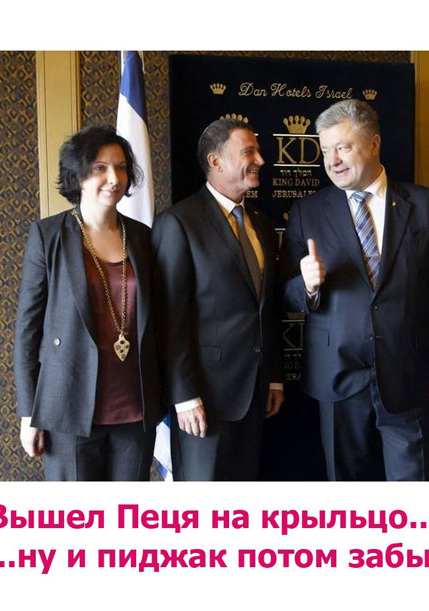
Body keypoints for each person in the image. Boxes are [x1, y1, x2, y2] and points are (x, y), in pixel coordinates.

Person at [281, 99, 429, 481]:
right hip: (338, 377)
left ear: (374, 143)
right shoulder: (307, 211)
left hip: (408, 374)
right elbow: (285, 294)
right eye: (325, 150)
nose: (332, 160)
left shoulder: (425, 205)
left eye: (343, 147)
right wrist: (307, 285)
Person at [14, 123, 162, 480]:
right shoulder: (48, 235)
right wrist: (29, 413)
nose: (114, 178)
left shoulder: (143, 237)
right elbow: (27, 329)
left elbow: (160, 322)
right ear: (78, 175)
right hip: (68, 407)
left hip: (135, 407)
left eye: (121, 167)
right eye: (100, 168)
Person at [152, 118, 284, 481]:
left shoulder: (262, 224)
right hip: (202, 400)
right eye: (249, 152)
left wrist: (273, 378)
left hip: (255, 395)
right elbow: (169, 320)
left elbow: (266, 309)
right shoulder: (178, 223)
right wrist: (184, 397)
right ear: (216, 161)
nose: (260, 160)